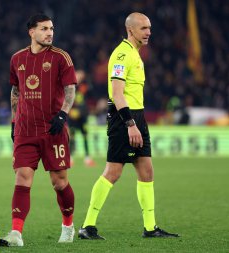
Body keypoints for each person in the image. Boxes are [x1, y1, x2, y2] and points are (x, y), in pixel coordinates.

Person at [78, 12, 179, 240]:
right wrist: (131, 124)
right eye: (143, 28)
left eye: (149, 28)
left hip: (137, 116)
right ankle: (88, 226)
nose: (148, 32)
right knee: (113, 172)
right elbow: (116, 94)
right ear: (131, 30)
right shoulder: (122, 54)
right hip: (124, 118)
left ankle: (150, 227)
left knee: (146, 170)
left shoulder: (135, 54)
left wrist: (137, 122)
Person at [1, 13, 77, 246]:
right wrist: (14, 121)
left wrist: (63, 114)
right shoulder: (17, 59)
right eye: (44, 29)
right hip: (25, 129)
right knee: (22, 177)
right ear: (31, 32)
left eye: (51, 28)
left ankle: (68, 225)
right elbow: (15, 91)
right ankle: (16, 233)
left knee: (59, 182)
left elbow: (70, 89)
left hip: (52, 129)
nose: (50, 33)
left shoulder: (61, 57)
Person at [69, 69, 96, 167]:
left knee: (85, 135)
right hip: (72, 116)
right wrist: (70, 111)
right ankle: (70, 158)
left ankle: (87, 158)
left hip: (83, 116)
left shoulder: (85, 87)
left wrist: (84, 111)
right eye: (77, 75)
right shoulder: (69, 86)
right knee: (71, 137)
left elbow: (90, 100)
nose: (78, 77)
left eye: (80, 76)